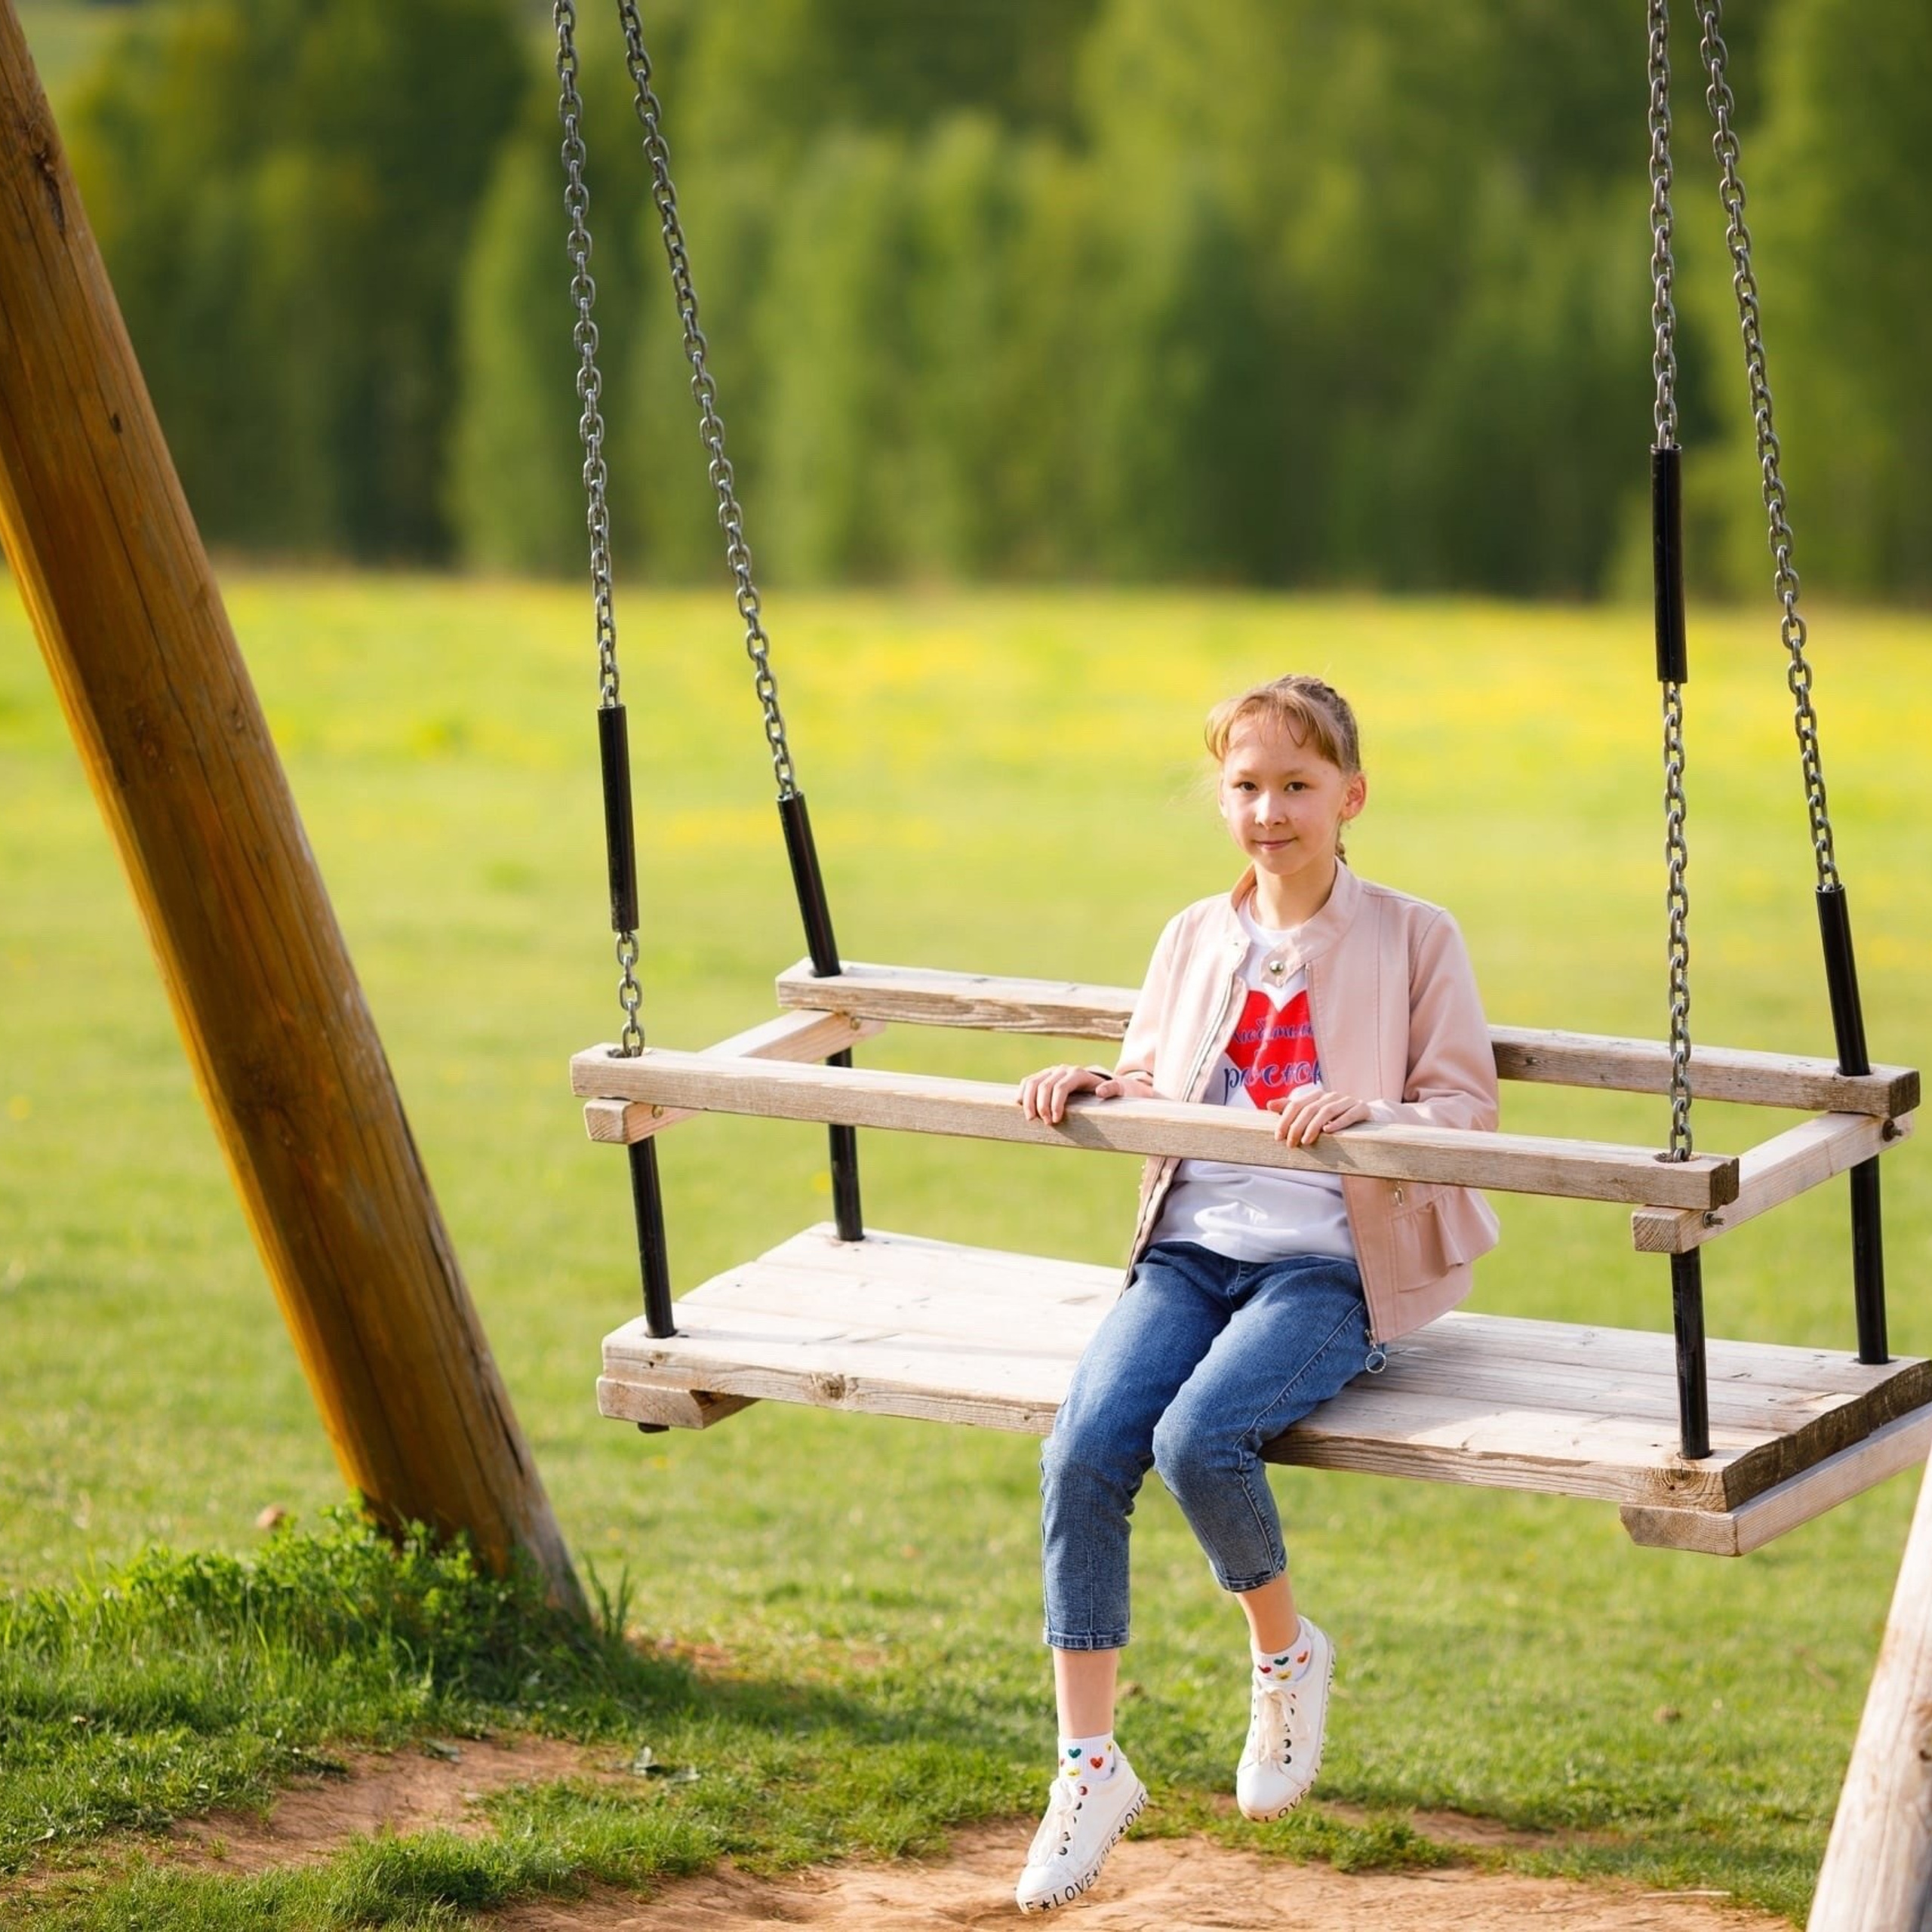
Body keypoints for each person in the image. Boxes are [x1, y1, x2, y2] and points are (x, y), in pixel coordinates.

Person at [1009, 673, 1500, 1914]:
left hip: (1332, 1265)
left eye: (1296, 785)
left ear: (1351, 795)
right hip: (1189, 1250)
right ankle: (1088, 1764)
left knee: (1199, 1438)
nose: (1270, 810)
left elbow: (1466, 1108)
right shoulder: (1194, 935)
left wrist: (1373, 1111)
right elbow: (1151, 1073)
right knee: (1082, 1453)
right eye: (1246, 786)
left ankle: (1285, 1654)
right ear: (1220, 795)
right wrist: (1094, 1082)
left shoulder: (1413, 936)